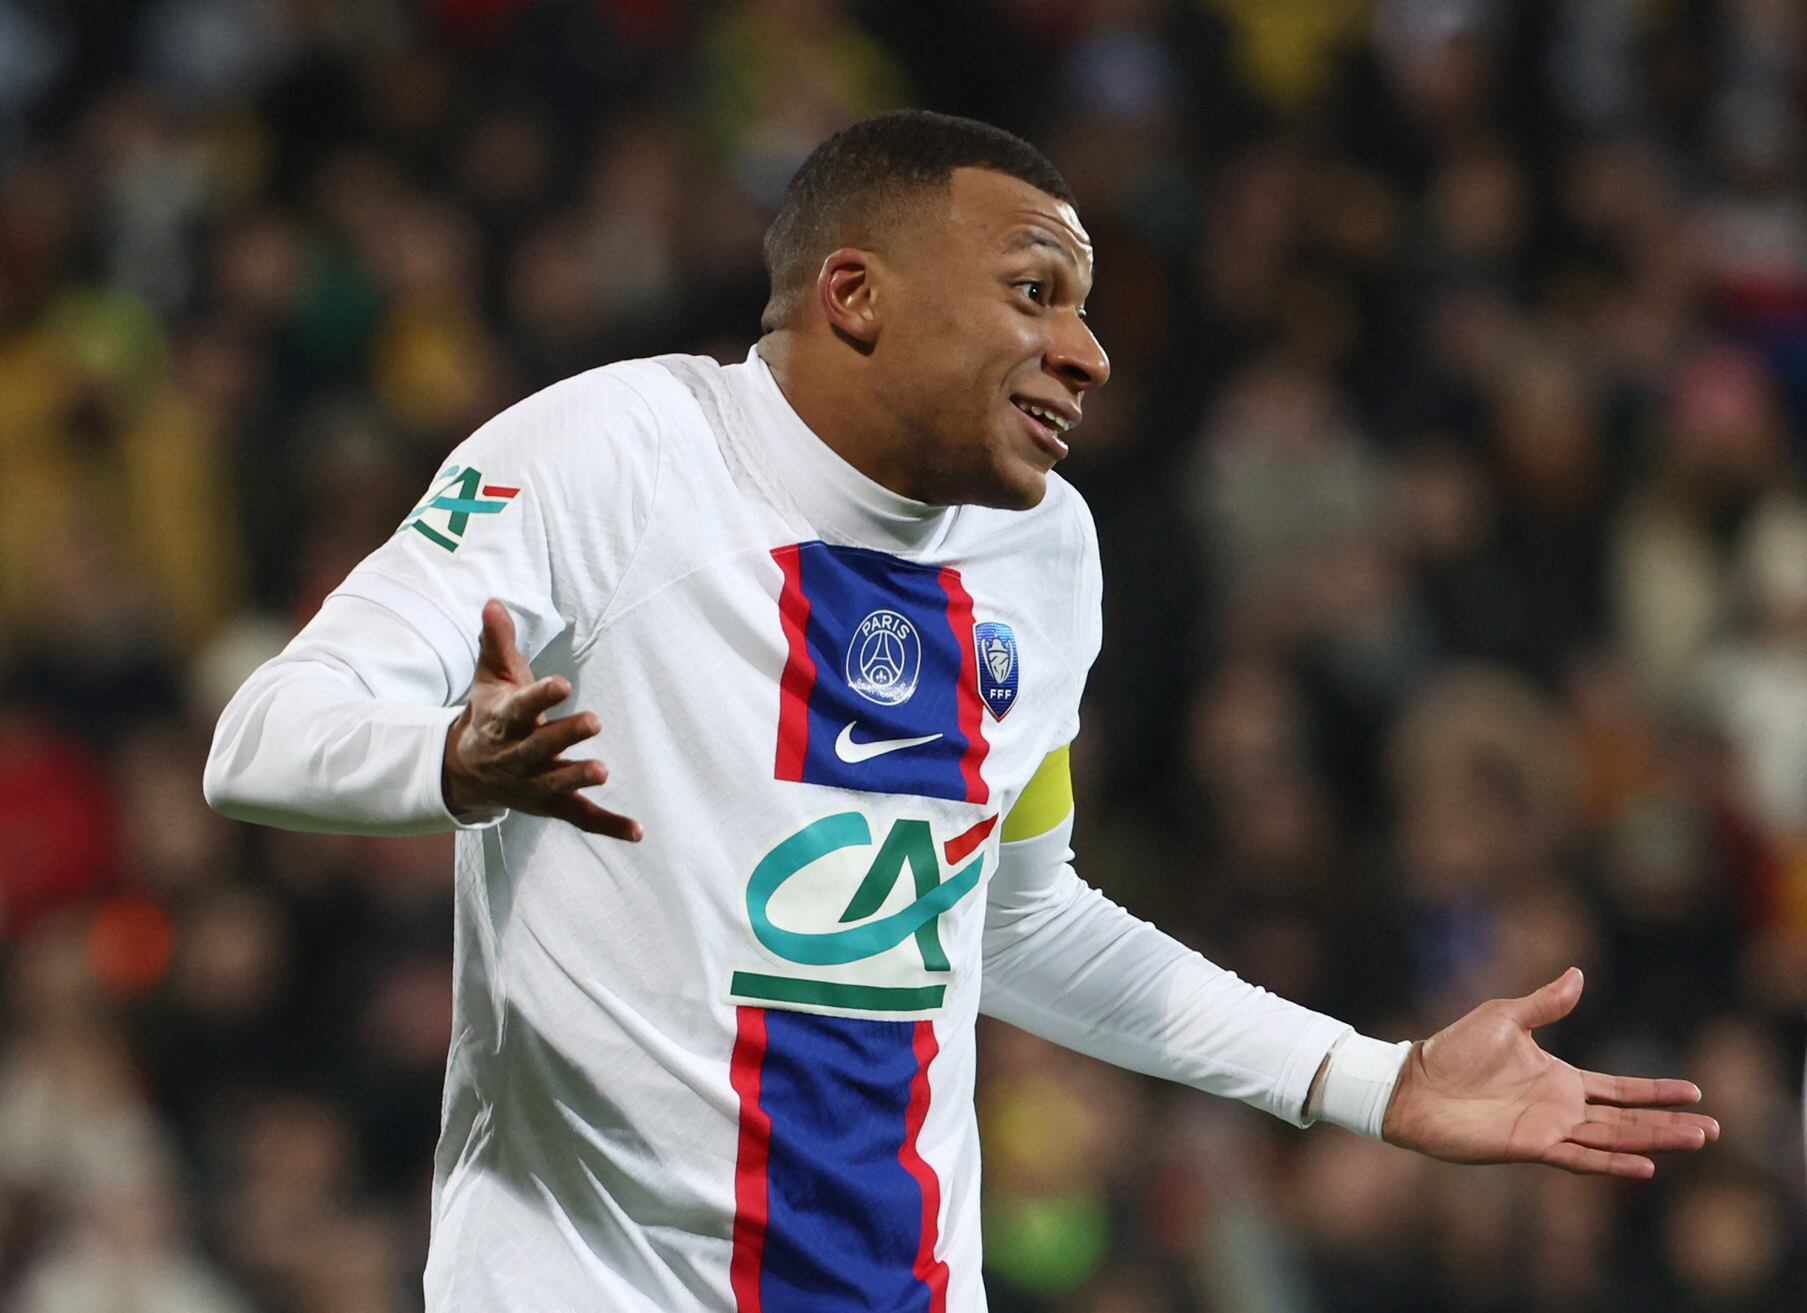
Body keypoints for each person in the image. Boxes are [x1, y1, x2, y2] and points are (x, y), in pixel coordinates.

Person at [203, 111, 1717, 1312]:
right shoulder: (612, 454)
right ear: (855, 293)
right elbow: (259, 738)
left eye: (1090, 308)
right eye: (1035, 293)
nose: (1089, 350)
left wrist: (1367, 1077)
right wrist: (452, 765)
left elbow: (1019, 915)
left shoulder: (1043, 554)